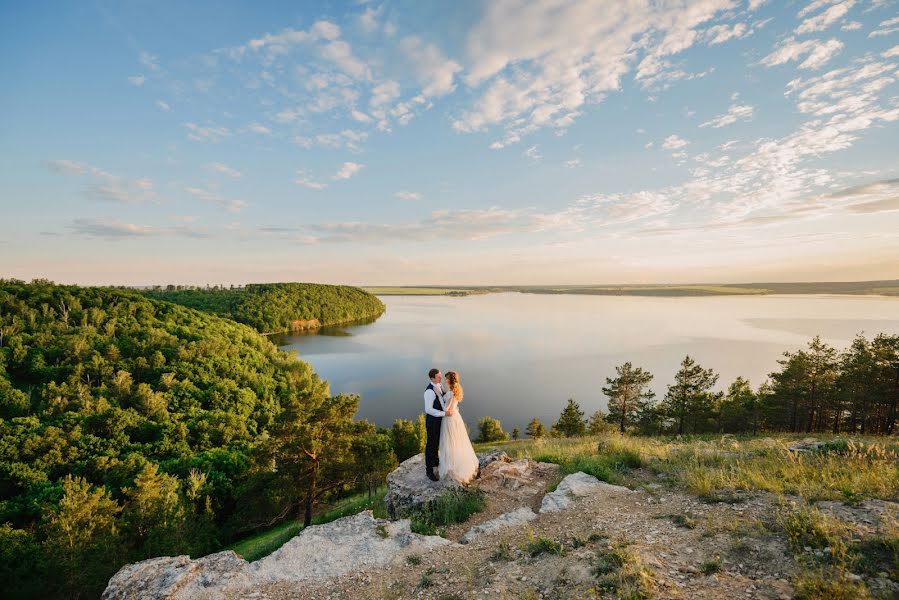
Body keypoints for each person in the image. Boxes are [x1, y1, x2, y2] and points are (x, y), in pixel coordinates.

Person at [438, 371, 479, 484]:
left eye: (446, 379)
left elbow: (446, 409)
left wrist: (439, 398)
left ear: (451, 379)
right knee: (456, 441)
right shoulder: (455, 389)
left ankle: (452, 464)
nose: (445, 380)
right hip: (456, 418)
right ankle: (456, 460)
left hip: (449, 420)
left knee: (449, 441)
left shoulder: (451, 393)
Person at [423, 368, 449, 481]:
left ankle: (435, 461)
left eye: (441, 376)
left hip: (439, 420)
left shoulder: (439, 385)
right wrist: (444, 413)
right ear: (432, 378)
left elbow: (442, 399)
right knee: (431, 445)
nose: (441, 378)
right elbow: (428, 409)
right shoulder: (429, 391)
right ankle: (429, 471)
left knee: (437, 442)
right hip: (432, 422)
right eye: (438, 377)